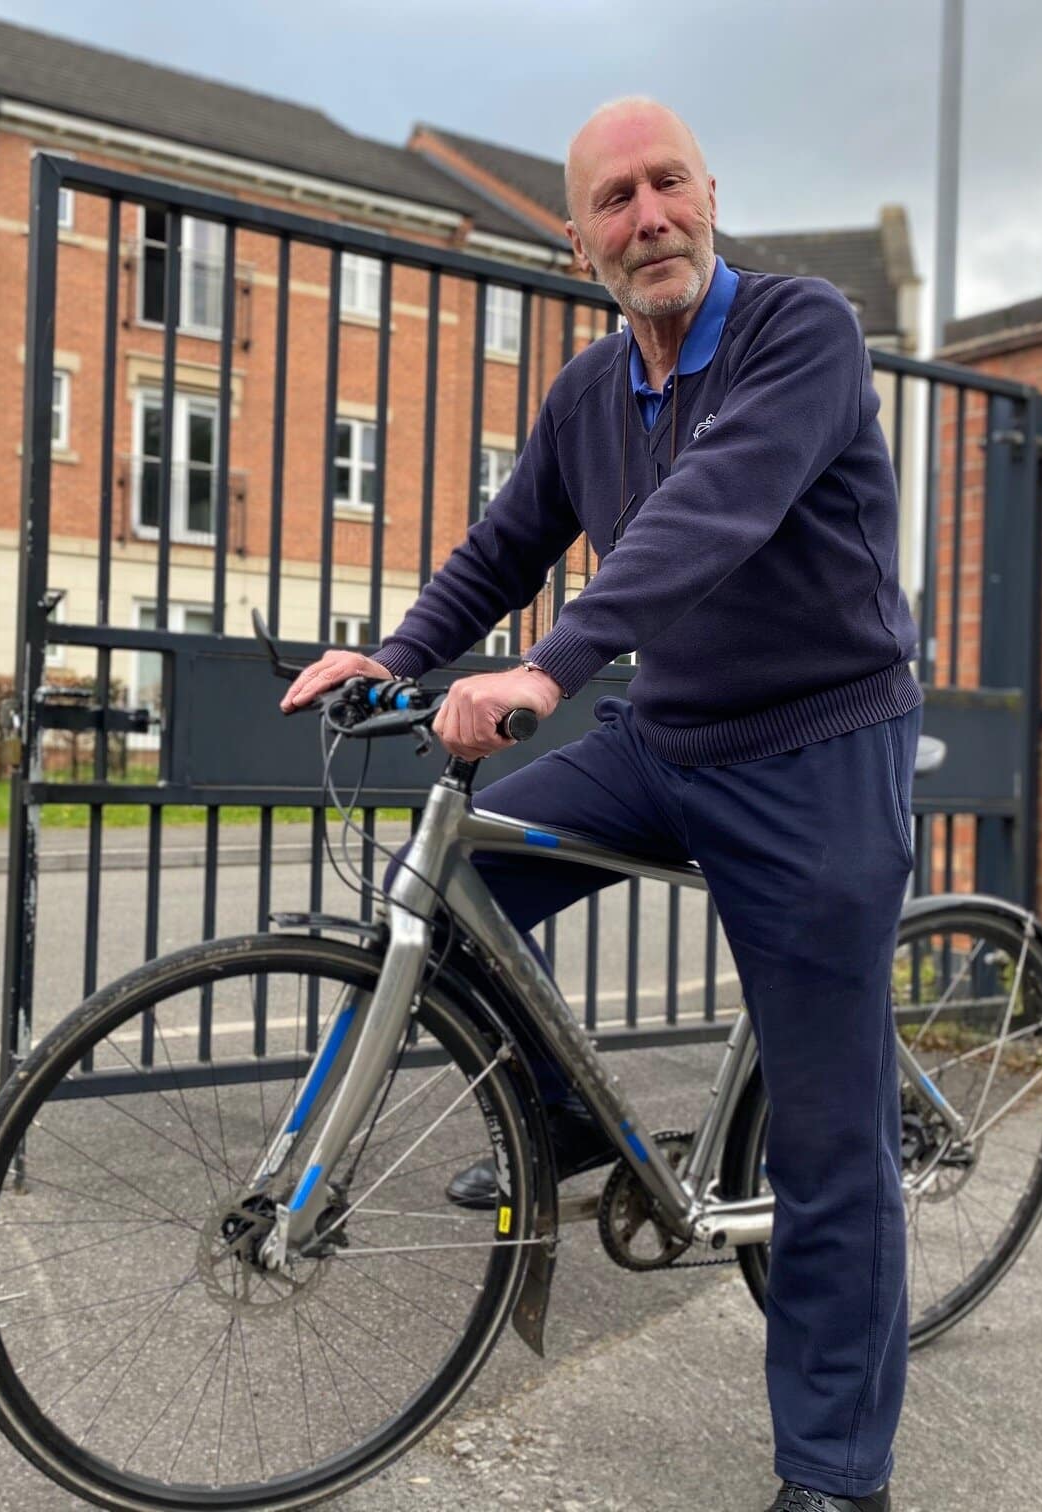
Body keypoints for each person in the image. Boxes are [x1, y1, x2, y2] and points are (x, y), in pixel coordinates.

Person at [279, 98, 917, 1512]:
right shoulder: (585, 394)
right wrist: (393, 655)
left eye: (666, 184)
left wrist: (548, 668)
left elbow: (717, 509)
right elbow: (505, 545)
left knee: (830, 1142)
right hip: (670, 738)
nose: (649, 218)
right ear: (577, 241)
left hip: (819, 749)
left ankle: (834, 1471)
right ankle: (559, 1119)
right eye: (614, 201)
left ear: (709, 190)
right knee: (459, 895)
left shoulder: (798, 330)